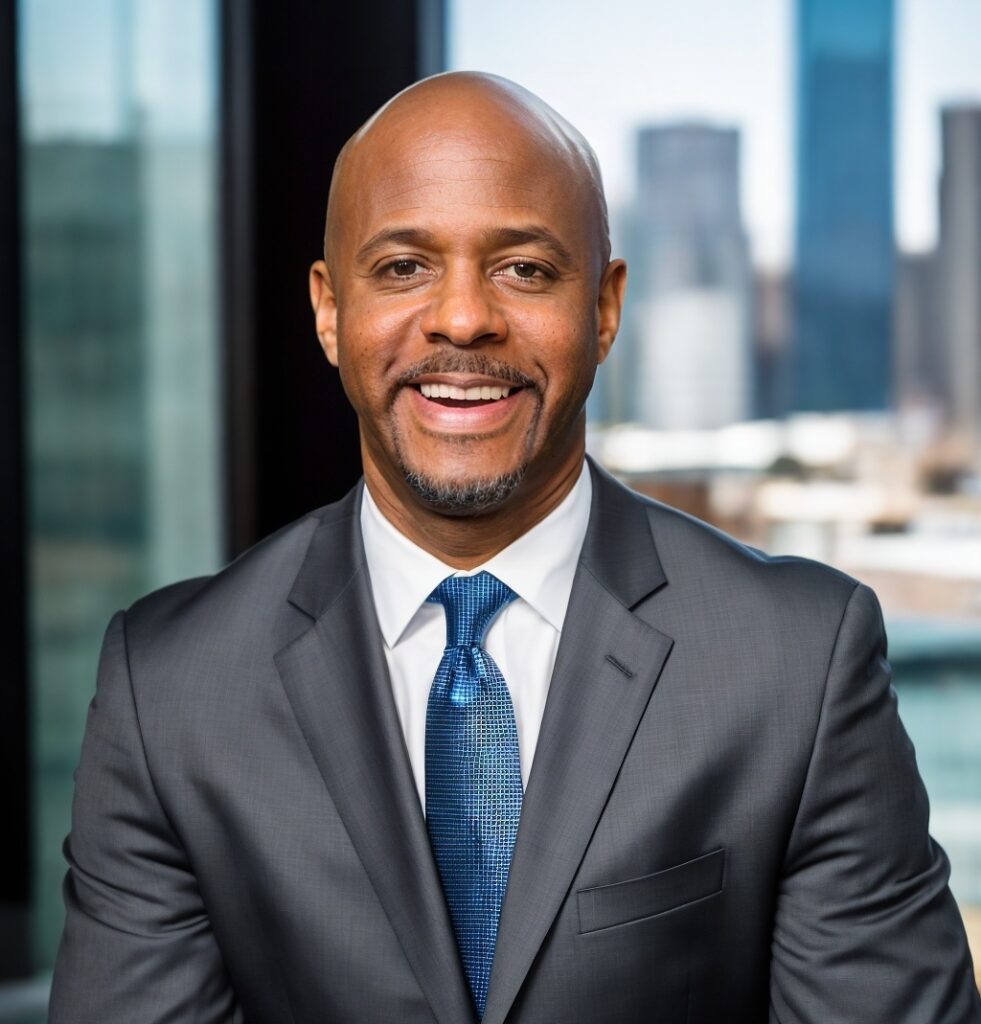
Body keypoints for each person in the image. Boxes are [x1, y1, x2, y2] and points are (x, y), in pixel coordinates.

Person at [49, 72, 980, 1024]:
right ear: (329, 311)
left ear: (605, 308)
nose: (462, 318)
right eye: (404, 266)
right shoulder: (167, 688)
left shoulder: (796, 661)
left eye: (524, 270)